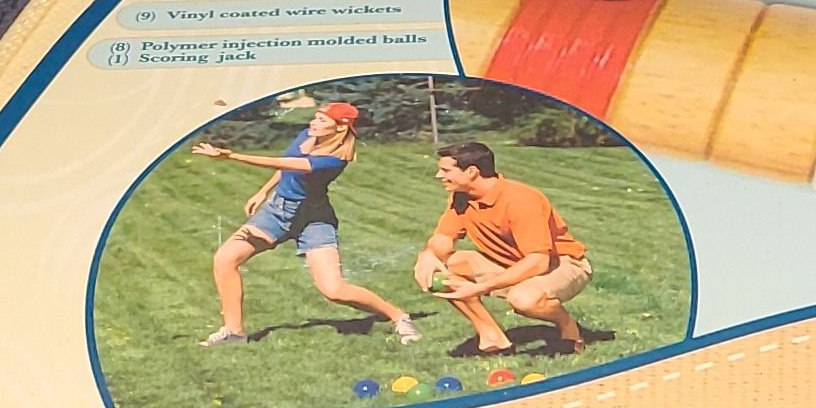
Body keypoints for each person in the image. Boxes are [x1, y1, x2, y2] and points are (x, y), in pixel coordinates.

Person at [187, 99, 419, 346]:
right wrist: (263, 191)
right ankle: (234, 332)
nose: (313, 122)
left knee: (333, 290)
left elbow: (286, 163)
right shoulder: (307, 135)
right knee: (225, 259)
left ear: (340, 127)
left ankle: (398, 317)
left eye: (322, 119)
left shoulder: (334, 160)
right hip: (277, 211)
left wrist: (231, 155)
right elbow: (286, 166)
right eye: (315, 116)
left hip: (314, 219)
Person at [415, 140, 595, 356]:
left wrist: (481, 288)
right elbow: (444, 237)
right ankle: (493, 339)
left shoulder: (520, 200)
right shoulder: (461, 197)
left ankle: (569, 327)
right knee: (442, 269)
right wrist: (428, 255)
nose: (439, 176)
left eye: (446, 171)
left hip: (561, 264)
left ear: (472, 172)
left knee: (523, 300)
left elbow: (538, 261)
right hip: (512, 263)